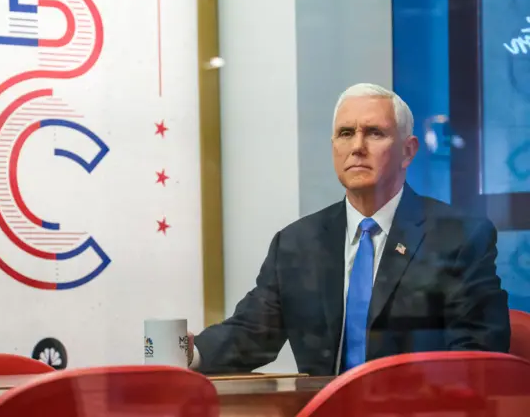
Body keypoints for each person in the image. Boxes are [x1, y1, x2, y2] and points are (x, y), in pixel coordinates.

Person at [187, 83, 510, 376]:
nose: (357, 146)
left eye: (374, 133)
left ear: (408, 151)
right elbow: (252, 333)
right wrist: (189, 353)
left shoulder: (459, 236)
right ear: (333, 149)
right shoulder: (297, 243)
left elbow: (477, 355)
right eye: (345, 133)